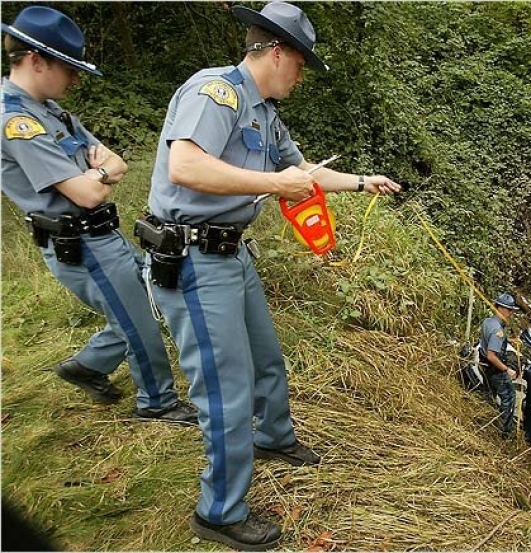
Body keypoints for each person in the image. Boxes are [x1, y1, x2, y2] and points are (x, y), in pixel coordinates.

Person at [140, 2, 401, 549]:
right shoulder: (217, 93)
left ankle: (274, 437)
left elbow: (302, 173)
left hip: (234, 254)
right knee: (225, 388)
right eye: (300, 63)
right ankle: (219, 510)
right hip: (193, 259)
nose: (301, 75)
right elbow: (184, 166)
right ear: (277, 52)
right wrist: (276, 186)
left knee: (265, 358)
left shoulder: (265, 114)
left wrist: (360, 181)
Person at [1, 6, 197, 425]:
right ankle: (157, 403)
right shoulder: (16, 122)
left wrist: (99, 172)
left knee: (140, 302)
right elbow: (87, 194)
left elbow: (117, 162)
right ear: (36, 60)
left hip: (102, 236)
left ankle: (87, 366)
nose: (74, 79)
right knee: (139, 320)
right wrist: (98, 175)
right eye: (68, 68)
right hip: (80, 242)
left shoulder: (51, 112)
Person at [479, 293, 521, 436]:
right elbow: (492, 356)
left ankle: (486, 419)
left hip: (484, 365)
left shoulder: (488, 322)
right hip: (495, 369)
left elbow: (489, 342)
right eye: (510, 310)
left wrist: (509, 340)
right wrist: (507, 369)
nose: (511, 314)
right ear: (501, 309)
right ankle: (505, 432)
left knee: (489, 393)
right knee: (509, 397)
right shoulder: (498, 331)